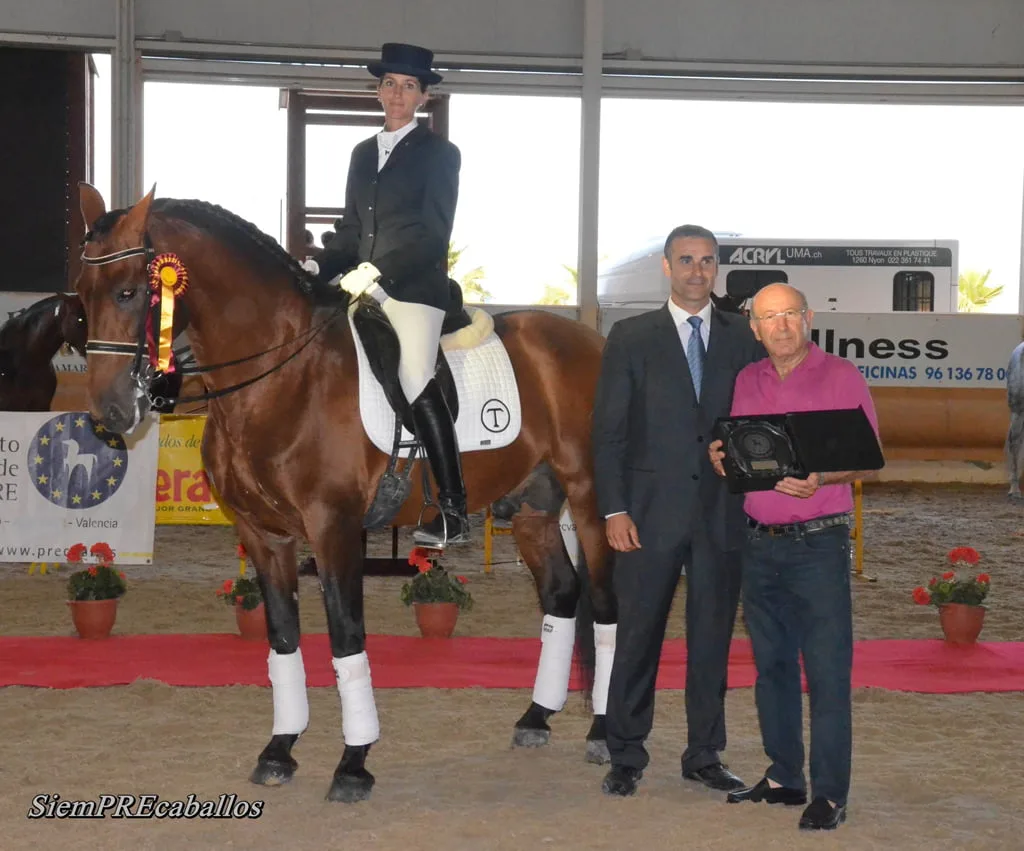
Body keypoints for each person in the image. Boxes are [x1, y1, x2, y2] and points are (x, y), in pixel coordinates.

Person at [592, 224, 766, 797]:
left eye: (707, 261)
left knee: (712, 638)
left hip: (722, 514)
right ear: (666, 267)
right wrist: (614, 510)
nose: (697, 271)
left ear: (717, 269)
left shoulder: (745, 338)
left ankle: (704, 754)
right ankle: (625, 751)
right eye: (686, 260)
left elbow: (755, 425)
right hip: (645, 515)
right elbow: (609, 434)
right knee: (638, 636)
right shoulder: (630, 336)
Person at [708, 282, 882, 831]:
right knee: (773, 669)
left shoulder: (841, 376)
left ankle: (830, 793)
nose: (780, 325)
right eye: (768, 317)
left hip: (819, 541)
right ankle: (786, 776)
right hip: (758, 541)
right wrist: (722, 457)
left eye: (789, 314)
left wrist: (824, 477)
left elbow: (870, 461)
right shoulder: (746, 379)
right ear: (753, 328)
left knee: (827, 673)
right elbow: (745, 454)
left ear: (807, 318)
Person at [311, 42, 468, 547]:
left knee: (415, 373)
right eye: (389, 84)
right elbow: (353, 228)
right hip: (363, 284)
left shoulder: (440, 154)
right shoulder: (361, 153)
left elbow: (432, 233)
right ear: (377, 91)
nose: (397, 93)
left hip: (413, 289)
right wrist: (319, 263)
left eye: (408, 86)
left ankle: (453, 508)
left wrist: (375, 270)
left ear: (423, 96)